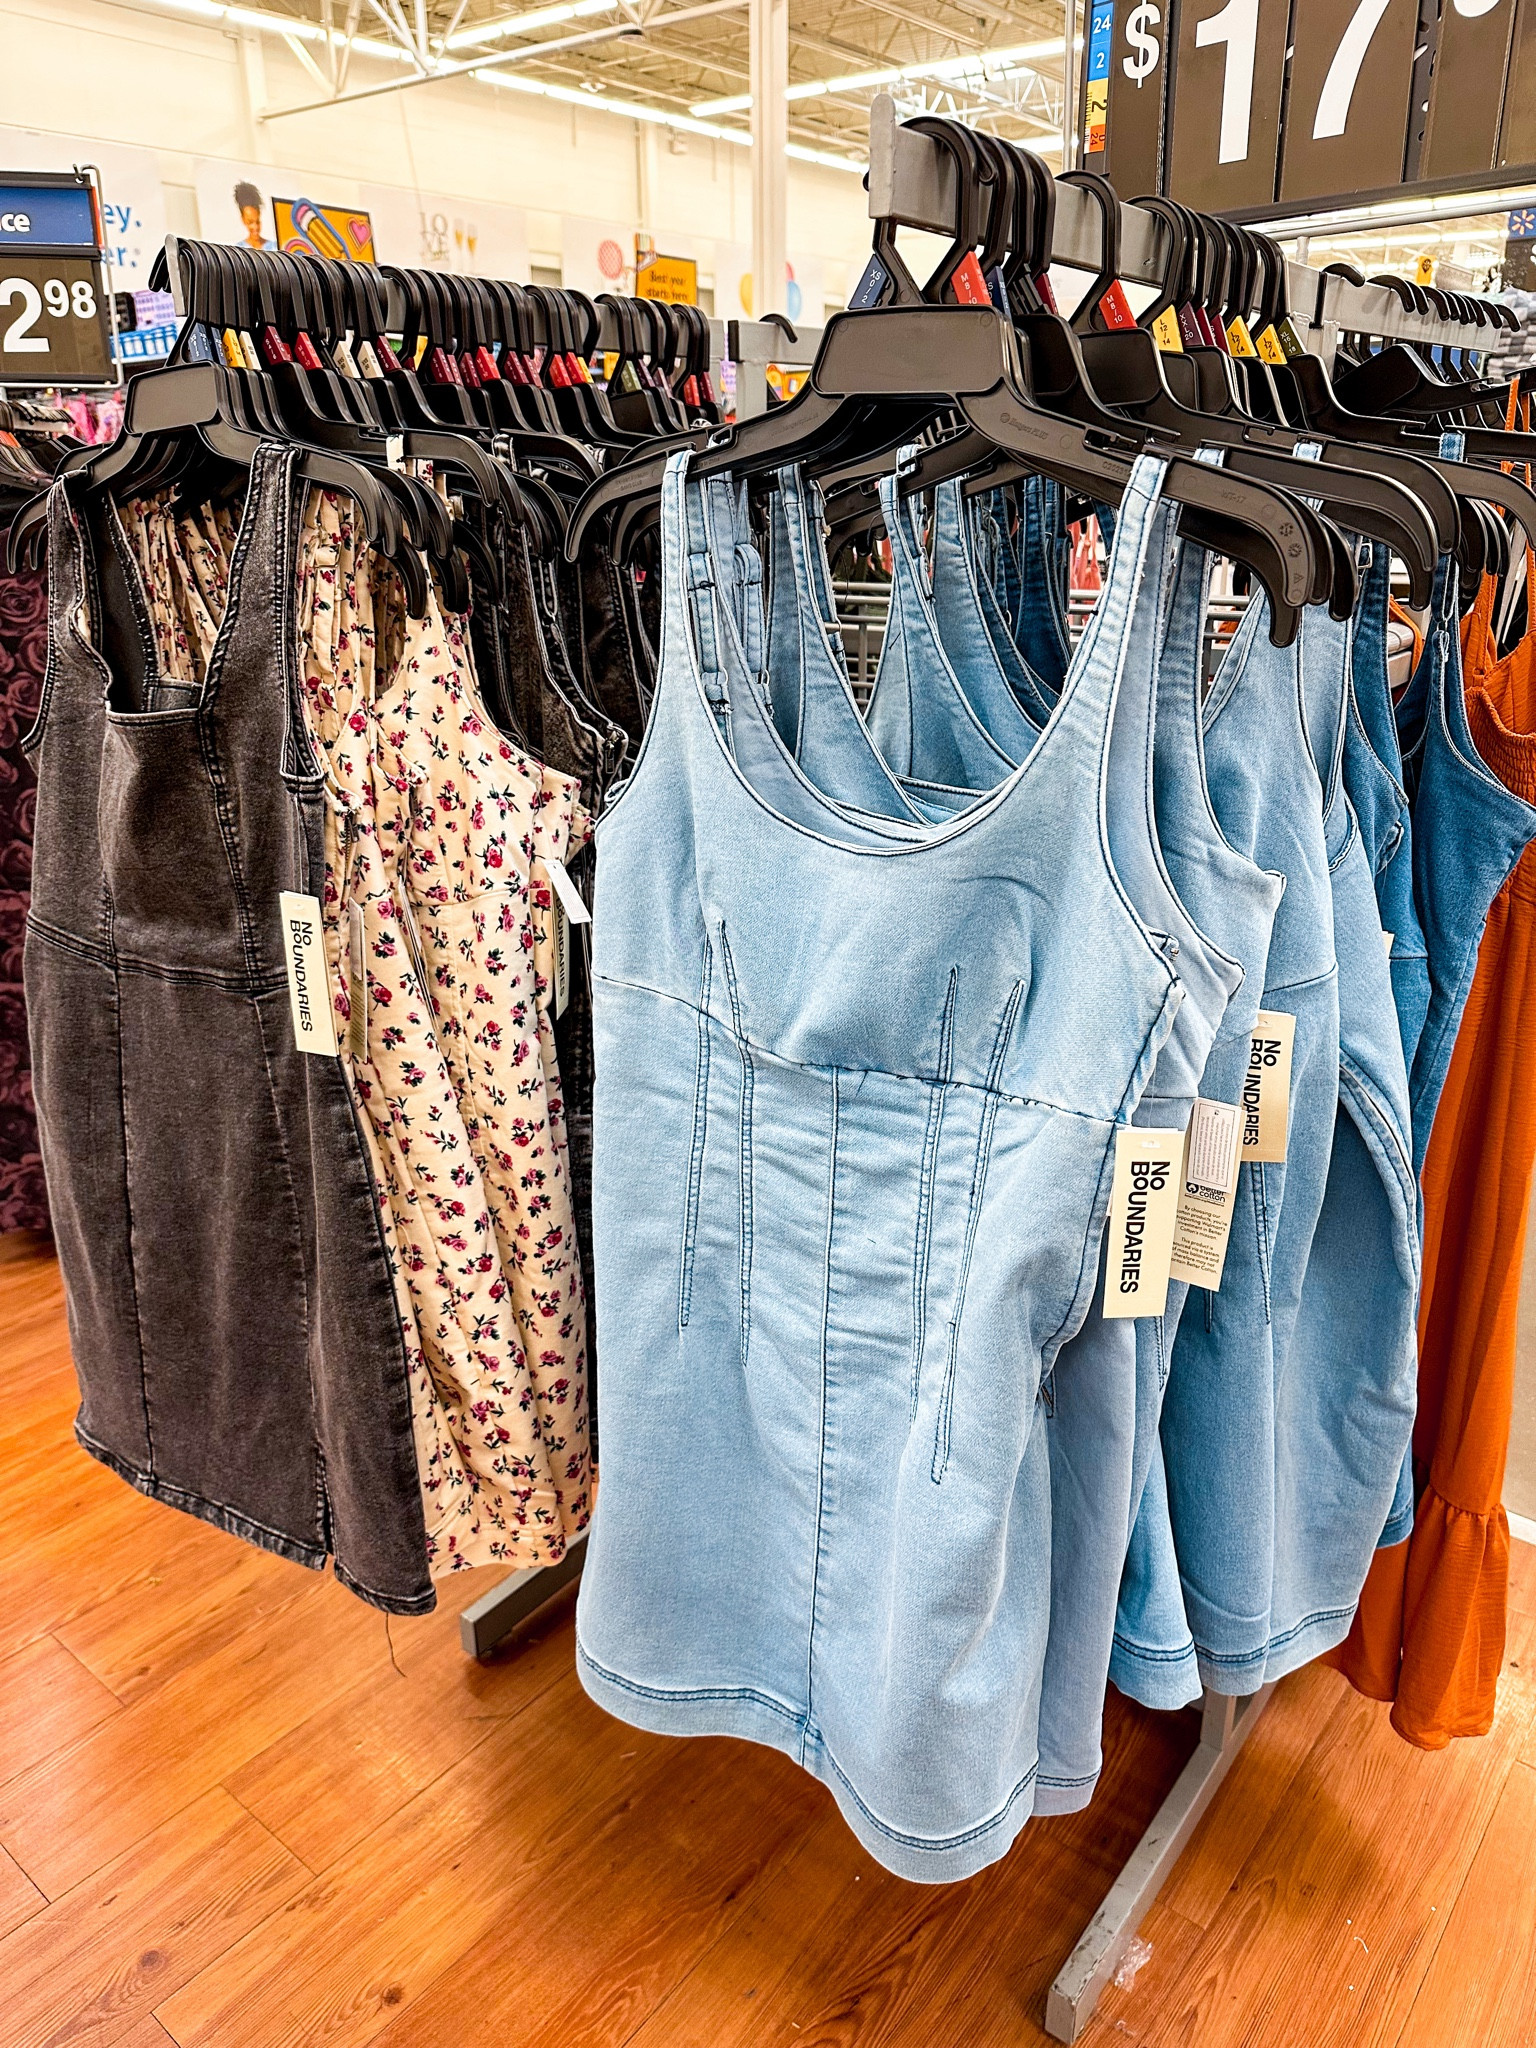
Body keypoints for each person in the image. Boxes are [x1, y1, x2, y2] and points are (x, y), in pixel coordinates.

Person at [234, 181, 274, 251]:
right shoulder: (239, 250)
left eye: (257, 222)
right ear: (243, 219)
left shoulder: (273, 247)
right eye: (250, 222)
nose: (255, 227)